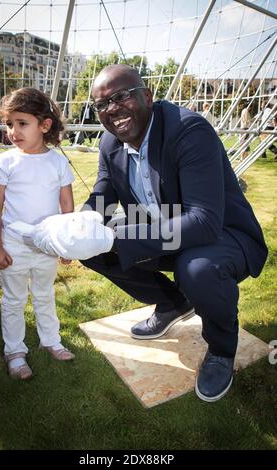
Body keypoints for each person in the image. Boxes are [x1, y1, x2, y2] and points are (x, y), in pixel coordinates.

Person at [80, 64, 268, 402]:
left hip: (221, 232)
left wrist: (117, 237)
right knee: (90, 244)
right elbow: (101, 201)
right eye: (102, 104)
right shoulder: (109, 143)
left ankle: (222, 348)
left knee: (196, 268)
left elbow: (204, 221)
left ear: (147, 97)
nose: (111, 109)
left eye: (120, 96)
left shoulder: (188, 129)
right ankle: (172, 303)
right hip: (167, 224)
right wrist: (76, 229)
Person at [0, 87, 75, 380]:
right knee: (14, 299)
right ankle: (15, 351)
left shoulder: (59, 162)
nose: (14, 131)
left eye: (22, 123)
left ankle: (51, 340)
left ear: (45, 125)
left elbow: (66, 205)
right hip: (13, 245)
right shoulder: (6, 161)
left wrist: (66, 244)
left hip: (47, 245)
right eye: (9, 124)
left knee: (44, 293)